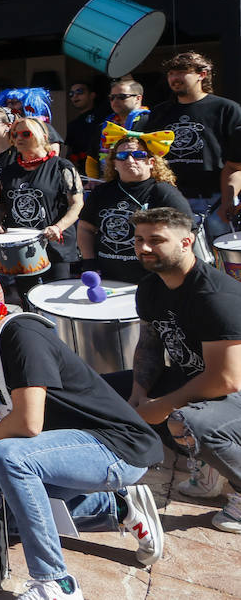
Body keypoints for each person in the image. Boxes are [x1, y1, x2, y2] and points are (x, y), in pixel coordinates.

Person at [0, 261, 165, 600]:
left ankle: (55, 582)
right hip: (67, 448)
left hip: (116, 446)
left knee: (9, 455)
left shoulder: (19, 333)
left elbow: (28, 423)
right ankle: (115, 508)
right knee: (2, 519)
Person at [106, 208, 241, 533]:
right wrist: (139, 394)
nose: (144, 248)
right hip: (198, 379)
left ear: (186, 241)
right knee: (103, 392)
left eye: (156, 240)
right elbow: (149, 344)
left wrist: (163, 406)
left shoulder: (215, 296)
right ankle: (209, 469)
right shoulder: (151, 287)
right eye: (139, 239)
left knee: (186, 420)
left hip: (234, 390)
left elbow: (227, 378)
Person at [145, 51, 241, 240]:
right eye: (171, 73)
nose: (174, 78)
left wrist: (227, 202)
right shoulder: (159, 113)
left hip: (214, 200)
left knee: (220, 261)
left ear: (202, 75)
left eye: (182, 72)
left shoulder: (226, 109)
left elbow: (236, 164)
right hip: (170, 199)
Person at [79, 132, 190, 283]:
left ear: (151, 162)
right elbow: (85, 228)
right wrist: (89, 261)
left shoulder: (164, 192)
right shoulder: (101, 192)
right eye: (122, 156)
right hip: (107, 277)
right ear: (114, 164)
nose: (130, 160)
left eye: (138, 154)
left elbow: (188, 233)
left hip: (151, 280)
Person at [0, 116, 84, 296]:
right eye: (15, 134)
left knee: (57, 297)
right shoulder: (8, 171)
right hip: (21, 247)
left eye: (26, 134)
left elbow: (77, 204)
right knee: (26, 295)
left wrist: (58, 227)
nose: (19, 138)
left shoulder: (61, 167)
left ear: (42, 136)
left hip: (55, 244)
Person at [65, 80, 111, 174]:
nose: (75, 96)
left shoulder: (104, 113)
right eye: (71, 94)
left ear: (92, 95)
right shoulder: (72, 125)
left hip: (106, 166)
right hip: (84, 172)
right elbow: (70, 152)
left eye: (80, 92)